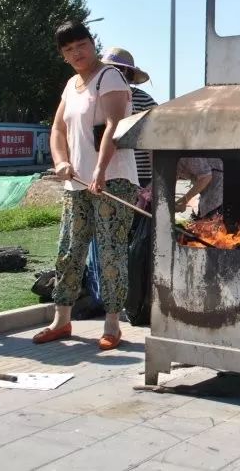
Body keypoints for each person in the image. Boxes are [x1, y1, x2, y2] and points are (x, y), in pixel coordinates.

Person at [34, 21, 139, 350]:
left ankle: (112, 325)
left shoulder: (110, 77)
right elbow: (57, 130)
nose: (75, 53)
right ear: (63, 55)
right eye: (68, 50)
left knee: (110, 253)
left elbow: (114, 124)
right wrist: (62, 161)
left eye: (80, 45)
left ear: (92, 44)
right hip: (75, 183)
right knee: (69, 250)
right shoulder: (70, 85)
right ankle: (61, 319)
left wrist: (100, 170)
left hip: (113, 181)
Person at [101, 47, 157, 189]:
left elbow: (155, 140)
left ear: (125, 71)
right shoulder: (97, 99)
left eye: (113, 69)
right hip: (105, 171)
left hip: (139, 175)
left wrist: (156, 178)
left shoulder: (144, 100)